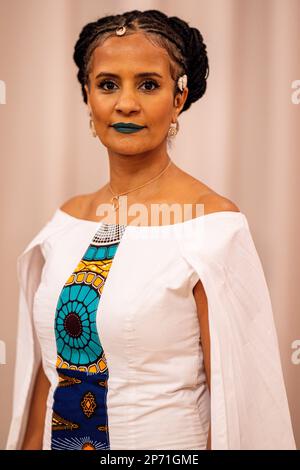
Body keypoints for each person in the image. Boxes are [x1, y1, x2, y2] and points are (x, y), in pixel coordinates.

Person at [6, 9, 296, 450]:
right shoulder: (67, 221)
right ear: (88, 96)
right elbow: (49, 378)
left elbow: (239, 403)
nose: (126, 103)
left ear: (178, 98)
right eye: (107, 84)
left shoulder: (211, 225)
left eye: (148, 84)